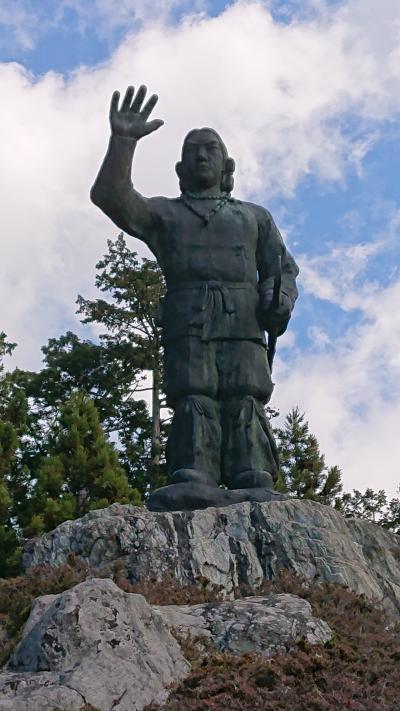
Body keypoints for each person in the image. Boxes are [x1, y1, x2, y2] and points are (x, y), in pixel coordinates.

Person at [91, 85, 299, 507]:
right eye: (192, 150)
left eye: (210, 149)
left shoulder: (253, 217)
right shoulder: (165, 214)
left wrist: (278, 297)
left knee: (245, 391)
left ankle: (251, 468)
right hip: (188, 317)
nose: (202, 156)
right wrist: (123, 142)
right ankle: (194, 469)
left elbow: (282, 269)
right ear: (180, 167)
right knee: (192, 391)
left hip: (243, 317)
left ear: (226, 165)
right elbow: (111, 196)